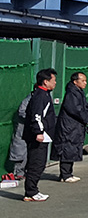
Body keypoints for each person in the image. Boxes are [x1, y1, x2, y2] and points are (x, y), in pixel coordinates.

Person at [23, 68, 58, 202]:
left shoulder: (45, 95)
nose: (55, 83)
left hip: (45, 135)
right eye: (53, 80)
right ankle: (31, 192)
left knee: (40, 163)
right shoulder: (39, 96)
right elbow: (36, 115)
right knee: (36, 164)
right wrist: (38, 132)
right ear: (45, 81)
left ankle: (32, 191)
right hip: (38, 136)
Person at [52, 71, 88, 183]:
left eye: (85, 80)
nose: (85, 83)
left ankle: (67, 173)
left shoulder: (78, 92)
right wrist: (86, 118)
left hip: (74, 126)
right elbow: (75, 109)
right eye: (83, 80)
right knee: (67, 148)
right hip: (69, 127)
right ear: (75, 82)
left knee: (72, 148)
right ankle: (65, 175)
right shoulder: (72, 93)